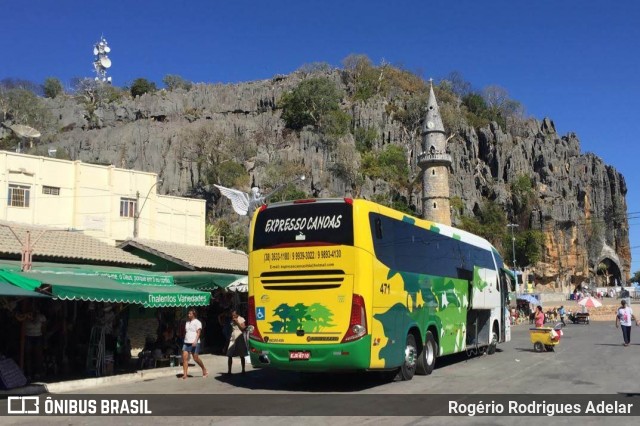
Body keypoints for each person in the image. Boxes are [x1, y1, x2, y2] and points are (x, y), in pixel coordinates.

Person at [16, 304, 46, 380]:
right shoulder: (26, 316)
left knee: (38, 355)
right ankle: (29, 373)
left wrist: (44, 338)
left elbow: (43, 328)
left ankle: (37, 373)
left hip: (38, 336)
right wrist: (26, 315)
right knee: (28, 356)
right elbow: (19, 318)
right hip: (28, 336)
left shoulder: (41, 317)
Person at [181, 308, 208, 379]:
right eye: (188, 313)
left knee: (195, 358)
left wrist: (195, 340)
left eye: (190, 314)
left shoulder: (197, 322)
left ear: (194, 314)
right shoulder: (187, 322)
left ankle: (203, 369)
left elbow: (199, 332)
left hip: (194, 342)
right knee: (184, 358)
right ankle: (185, 374)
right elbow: (186, 331)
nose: (188, 315)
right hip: (186, 342)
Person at [226, 310, 248, 374]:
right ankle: (229, 370)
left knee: (242, 354)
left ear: (237, 314)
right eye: (232, 315)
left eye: (234, 315)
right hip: (233, 337)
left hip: (239, 336)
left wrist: (237, 322)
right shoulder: (231, 320)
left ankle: (243, 369)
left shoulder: (241, 319)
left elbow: (243, 329)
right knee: (229, 354)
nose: (233, 316)